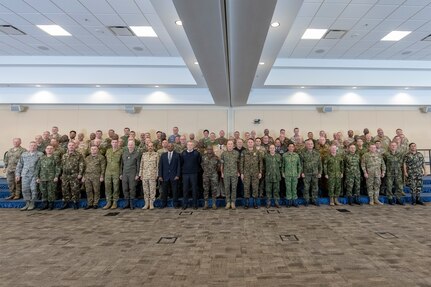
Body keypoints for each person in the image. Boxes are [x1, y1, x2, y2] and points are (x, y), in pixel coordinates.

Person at [15, 141, 43, 211]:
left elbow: (42, 166)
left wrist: (39, 176)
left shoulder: (40, 154)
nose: (33, 147)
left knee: (34, 189)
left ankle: (32, 203)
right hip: (25, 174)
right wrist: (17, 174)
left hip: (35, 175)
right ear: (29, 147)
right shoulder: (24, 154)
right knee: (25, 189)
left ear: (36, 146)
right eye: (31, 145)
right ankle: (27, 203)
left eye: (34, 145)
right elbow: (19, 165)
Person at [60, 142, 85, 210]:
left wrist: (80, 173)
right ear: (67, 146)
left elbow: (81, 165)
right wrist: (61, 174)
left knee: (75, 189)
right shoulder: (64, 155)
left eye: (72, 145)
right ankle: (66, 202)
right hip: (65, 175)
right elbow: (62, 165)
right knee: (65, 189)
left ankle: (75, 202)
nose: (71, 146)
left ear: (75, 146)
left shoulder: (79, 155)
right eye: (70, 145)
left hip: (74, 174)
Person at [35, 145, 60, 210]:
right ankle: (44, 204)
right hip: (42, 177)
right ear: (45, 150)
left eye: (51, 149)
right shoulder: (41, 158)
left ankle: (50, 205)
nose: (49, 150)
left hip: (51, 178)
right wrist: (37, 177)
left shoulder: (56, 158)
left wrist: (56, 176)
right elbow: (38, 168)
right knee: (43, 192)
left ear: (53, 150)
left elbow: (58, 168)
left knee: (51, 191)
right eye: (48, 149)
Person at [240, 138, 263, 209]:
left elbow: (260, 162)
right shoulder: (244, 152)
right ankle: (246, 203)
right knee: (246, 187)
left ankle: (255, 203)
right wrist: (242, 173)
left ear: (253, 143)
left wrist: (260, 172)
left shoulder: (258, 152)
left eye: (251, 142)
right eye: (249, 142)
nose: (250, 143)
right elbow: (241, 163)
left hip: (255, 173)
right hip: (246, 173)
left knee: (255, 187)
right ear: (247, 143)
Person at [158, 143, 181, 208]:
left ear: (173, 147)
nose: (170, 147)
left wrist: (178, 175)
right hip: (165, 176)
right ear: (167, 147)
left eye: (171, 146)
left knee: (175, 191)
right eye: (168, 146)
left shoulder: (177, 155)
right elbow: (160, 166)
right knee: (164, 191)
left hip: (174, 176)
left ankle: (175, 204)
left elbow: (179, 166)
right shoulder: (163, 155)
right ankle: (163, 204)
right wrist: (160, 176)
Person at [301, 139, 322, 206]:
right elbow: (301, 164)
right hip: (306, 173)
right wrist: (302, 172)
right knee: (306, 188)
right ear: (306, 145)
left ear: (313, 145)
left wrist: (320, 172)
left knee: (315, 187)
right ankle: (306, 200)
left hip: (315, 173)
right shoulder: (303, 154)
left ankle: (314, 200)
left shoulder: (317, 154)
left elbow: (320, 164)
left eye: (311, 144)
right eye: (308, 144)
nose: (310, 145)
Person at [181, 141, 202, 209]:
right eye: (188, 145)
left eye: (191, 145)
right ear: (186, 146)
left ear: (193, 146)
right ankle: (185, 204)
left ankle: (195, 204)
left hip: (194, 173)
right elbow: (181, 163)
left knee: (194, 189)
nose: (190, 146)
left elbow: (199, 162)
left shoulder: (197, 153)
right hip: (185, 174)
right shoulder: (183, 153)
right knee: (185, 190)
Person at [120, 140, 141, 210]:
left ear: (134, 146)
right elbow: (121, 165)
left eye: (132, 144)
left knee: (132, 188)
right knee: (125, 188)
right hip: (125, 173)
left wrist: (137, 174)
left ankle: (132, 203)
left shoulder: (137, 154)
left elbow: (138, 165)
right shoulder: (124, 153)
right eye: (129, 144)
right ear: (127, 145)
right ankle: (127, 203)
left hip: (133, 173)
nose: (130, 146)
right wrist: (121, 173)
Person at [103, 138, 123, 209]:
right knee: (107, 187)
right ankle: (108, 202)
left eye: (115, 142)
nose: (114, 143)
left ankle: (115, 202)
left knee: (116, 187)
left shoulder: (121, 151)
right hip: (108, 171)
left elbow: (121, 163)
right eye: (113, 142)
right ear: (111, 143)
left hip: (116, 171)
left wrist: (121, 173)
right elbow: (105, 162)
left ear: (118, 143)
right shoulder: (108, 151)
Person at [220, 140, 240, 209]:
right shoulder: (223, 154)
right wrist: (222, 172)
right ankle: (228, 202)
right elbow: (222, 164)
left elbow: (238, 163)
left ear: (233, 145)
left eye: (231, 144)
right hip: (226, 173)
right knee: (227, 188)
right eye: (229, 144)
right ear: (227, 145)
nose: (230, 145)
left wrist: (238, 172)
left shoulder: (236, 153)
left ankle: (233, 202)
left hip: (234, 173)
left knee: (234, 188)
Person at [139, 142, 159, 210]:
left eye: (151, 146)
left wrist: (157, 175)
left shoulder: (156, 154)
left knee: (152, 190)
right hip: (144, 175)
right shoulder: (144, 155)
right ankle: (146, 203)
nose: (150, 147)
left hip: (152, 175)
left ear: (153, 147)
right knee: (145, 190)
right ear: (147, 147)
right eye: (149, 146)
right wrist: (140, 174)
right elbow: (141, 165)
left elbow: (157, 166)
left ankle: (151, 203)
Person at [282, 143, 302, 207]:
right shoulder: (284, 155)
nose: (291, 148)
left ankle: (295, 201)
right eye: (290, 146)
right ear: (288, 148)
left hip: (295, 174)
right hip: (287, 174)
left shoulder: (296, 155)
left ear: (294, 148)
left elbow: (299, 165)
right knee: (288, 188)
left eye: (292, 147)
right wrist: (283, 173)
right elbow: (282, 165)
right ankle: (289, 202)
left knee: (294, 188)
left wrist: (299, 173)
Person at [201, 145, 220, 209]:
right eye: (208, 149)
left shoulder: (216, 157)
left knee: (214, 190)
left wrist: (213, 171)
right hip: (206, 175)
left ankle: (214, 203)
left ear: (212, 150)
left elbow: (218, 166)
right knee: (206, 189)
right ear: (206, 149)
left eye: (210, 149)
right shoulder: (203, 157)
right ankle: (206, 203)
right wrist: (206, 171)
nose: (209, 150)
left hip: (214, 175)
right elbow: (202, 165)